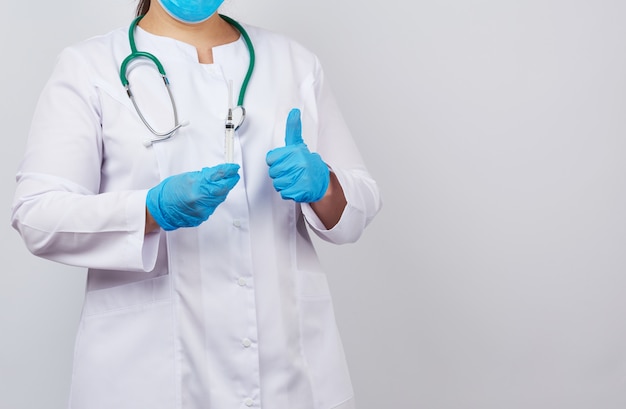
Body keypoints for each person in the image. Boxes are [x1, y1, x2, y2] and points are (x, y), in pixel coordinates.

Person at [11, 0, 381, 408]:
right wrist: (152, 210)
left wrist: (324, 186)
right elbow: (38, 215)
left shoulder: (293, 62)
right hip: (147, 375)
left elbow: (357, 206)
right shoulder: (89, 67)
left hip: (289, 372)